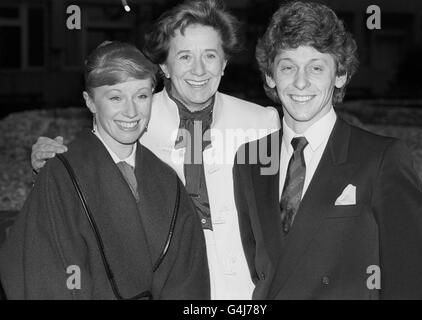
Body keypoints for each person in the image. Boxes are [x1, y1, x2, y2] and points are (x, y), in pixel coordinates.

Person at [29, 0, 279, 300]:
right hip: (161, 287)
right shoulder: (131, 121)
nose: (199, 69)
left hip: (245, 291)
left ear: (224, 63)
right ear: (164, 66)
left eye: (210, 55)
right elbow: (86, 189)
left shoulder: (261, 121)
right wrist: (45, 167)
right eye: (184, 56)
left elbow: (281, 214)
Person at [233, 1, 422, 299]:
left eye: (316, 67)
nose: (300, 82)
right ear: (270, 76)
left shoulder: (381, 159)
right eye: (288, 66)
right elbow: (261, 263)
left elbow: (410, 277)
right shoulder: (249, 159)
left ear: (340, 75)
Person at [0, 41, 209, 299]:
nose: (131, 111)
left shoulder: (168, 181)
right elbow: (48, 278)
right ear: (90, 102)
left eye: (141, 96)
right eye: (115, 97)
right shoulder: (62, 174)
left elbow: (188, 282)